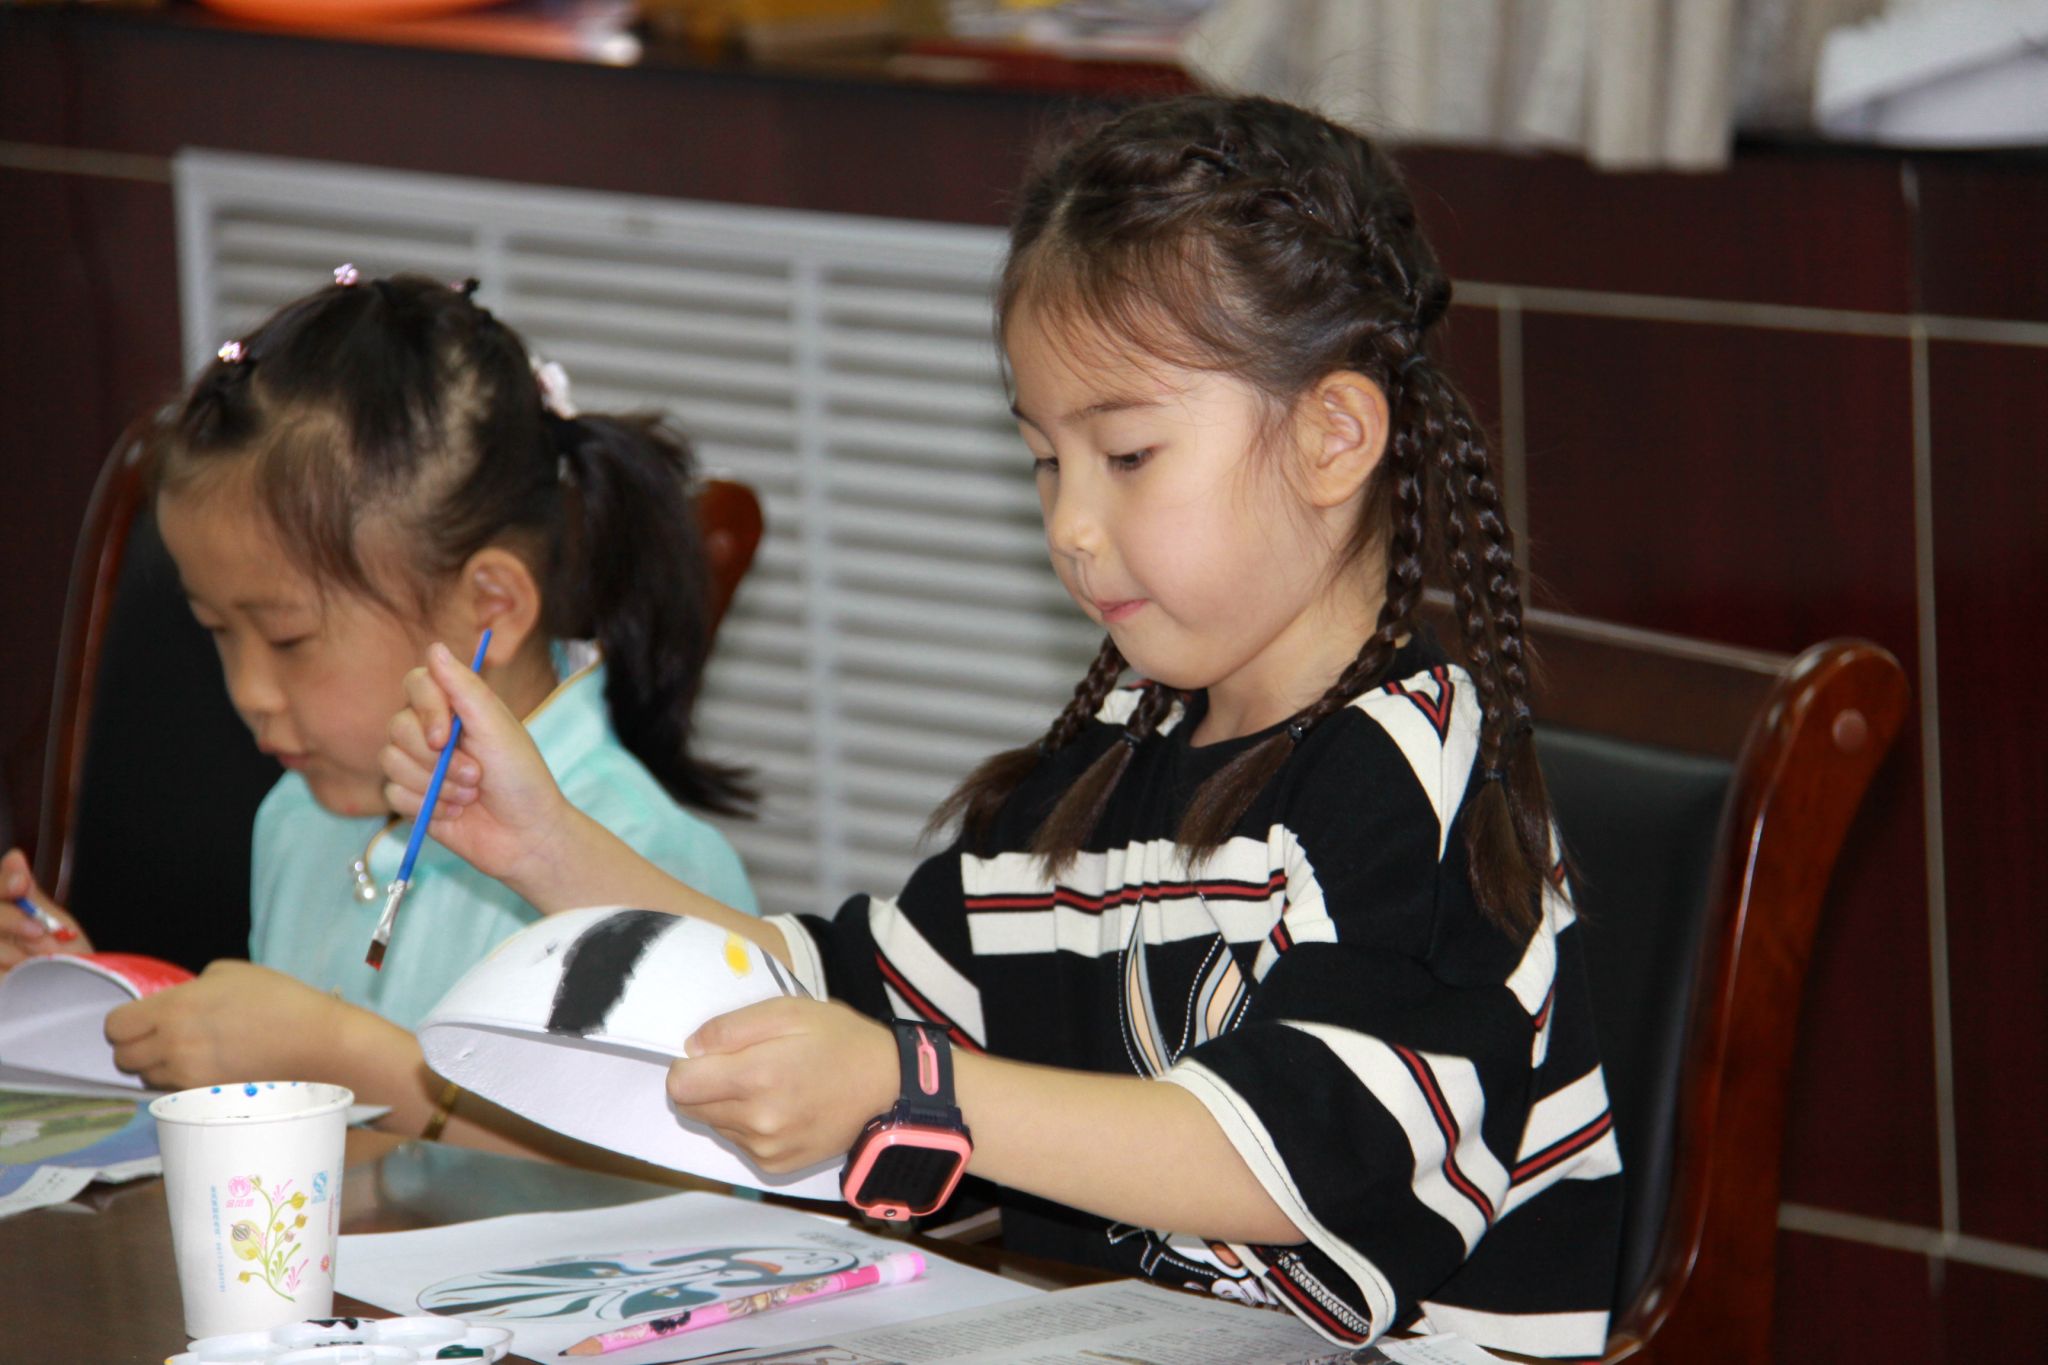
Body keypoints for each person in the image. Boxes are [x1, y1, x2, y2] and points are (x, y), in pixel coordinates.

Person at [380, 95, 1622, 1355]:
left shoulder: (1417, 778)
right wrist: (546, 847)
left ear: (1332, 436)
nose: (1070, 527)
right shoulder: (1113, 759)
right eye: (1044, 461)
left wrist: (916, 1089)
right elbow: (830, 999)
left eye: (1125, 456)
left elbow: (1278, 1160)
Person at [0, 269, 758, 1148]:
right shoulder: (300, 815)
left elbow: (684, 1177)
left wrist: (352, 1061)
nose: (246, 692)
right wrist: (104, 1014)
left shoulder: (642, 859)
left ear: (491, 607)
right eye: (217, 632)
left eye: (288, 638)